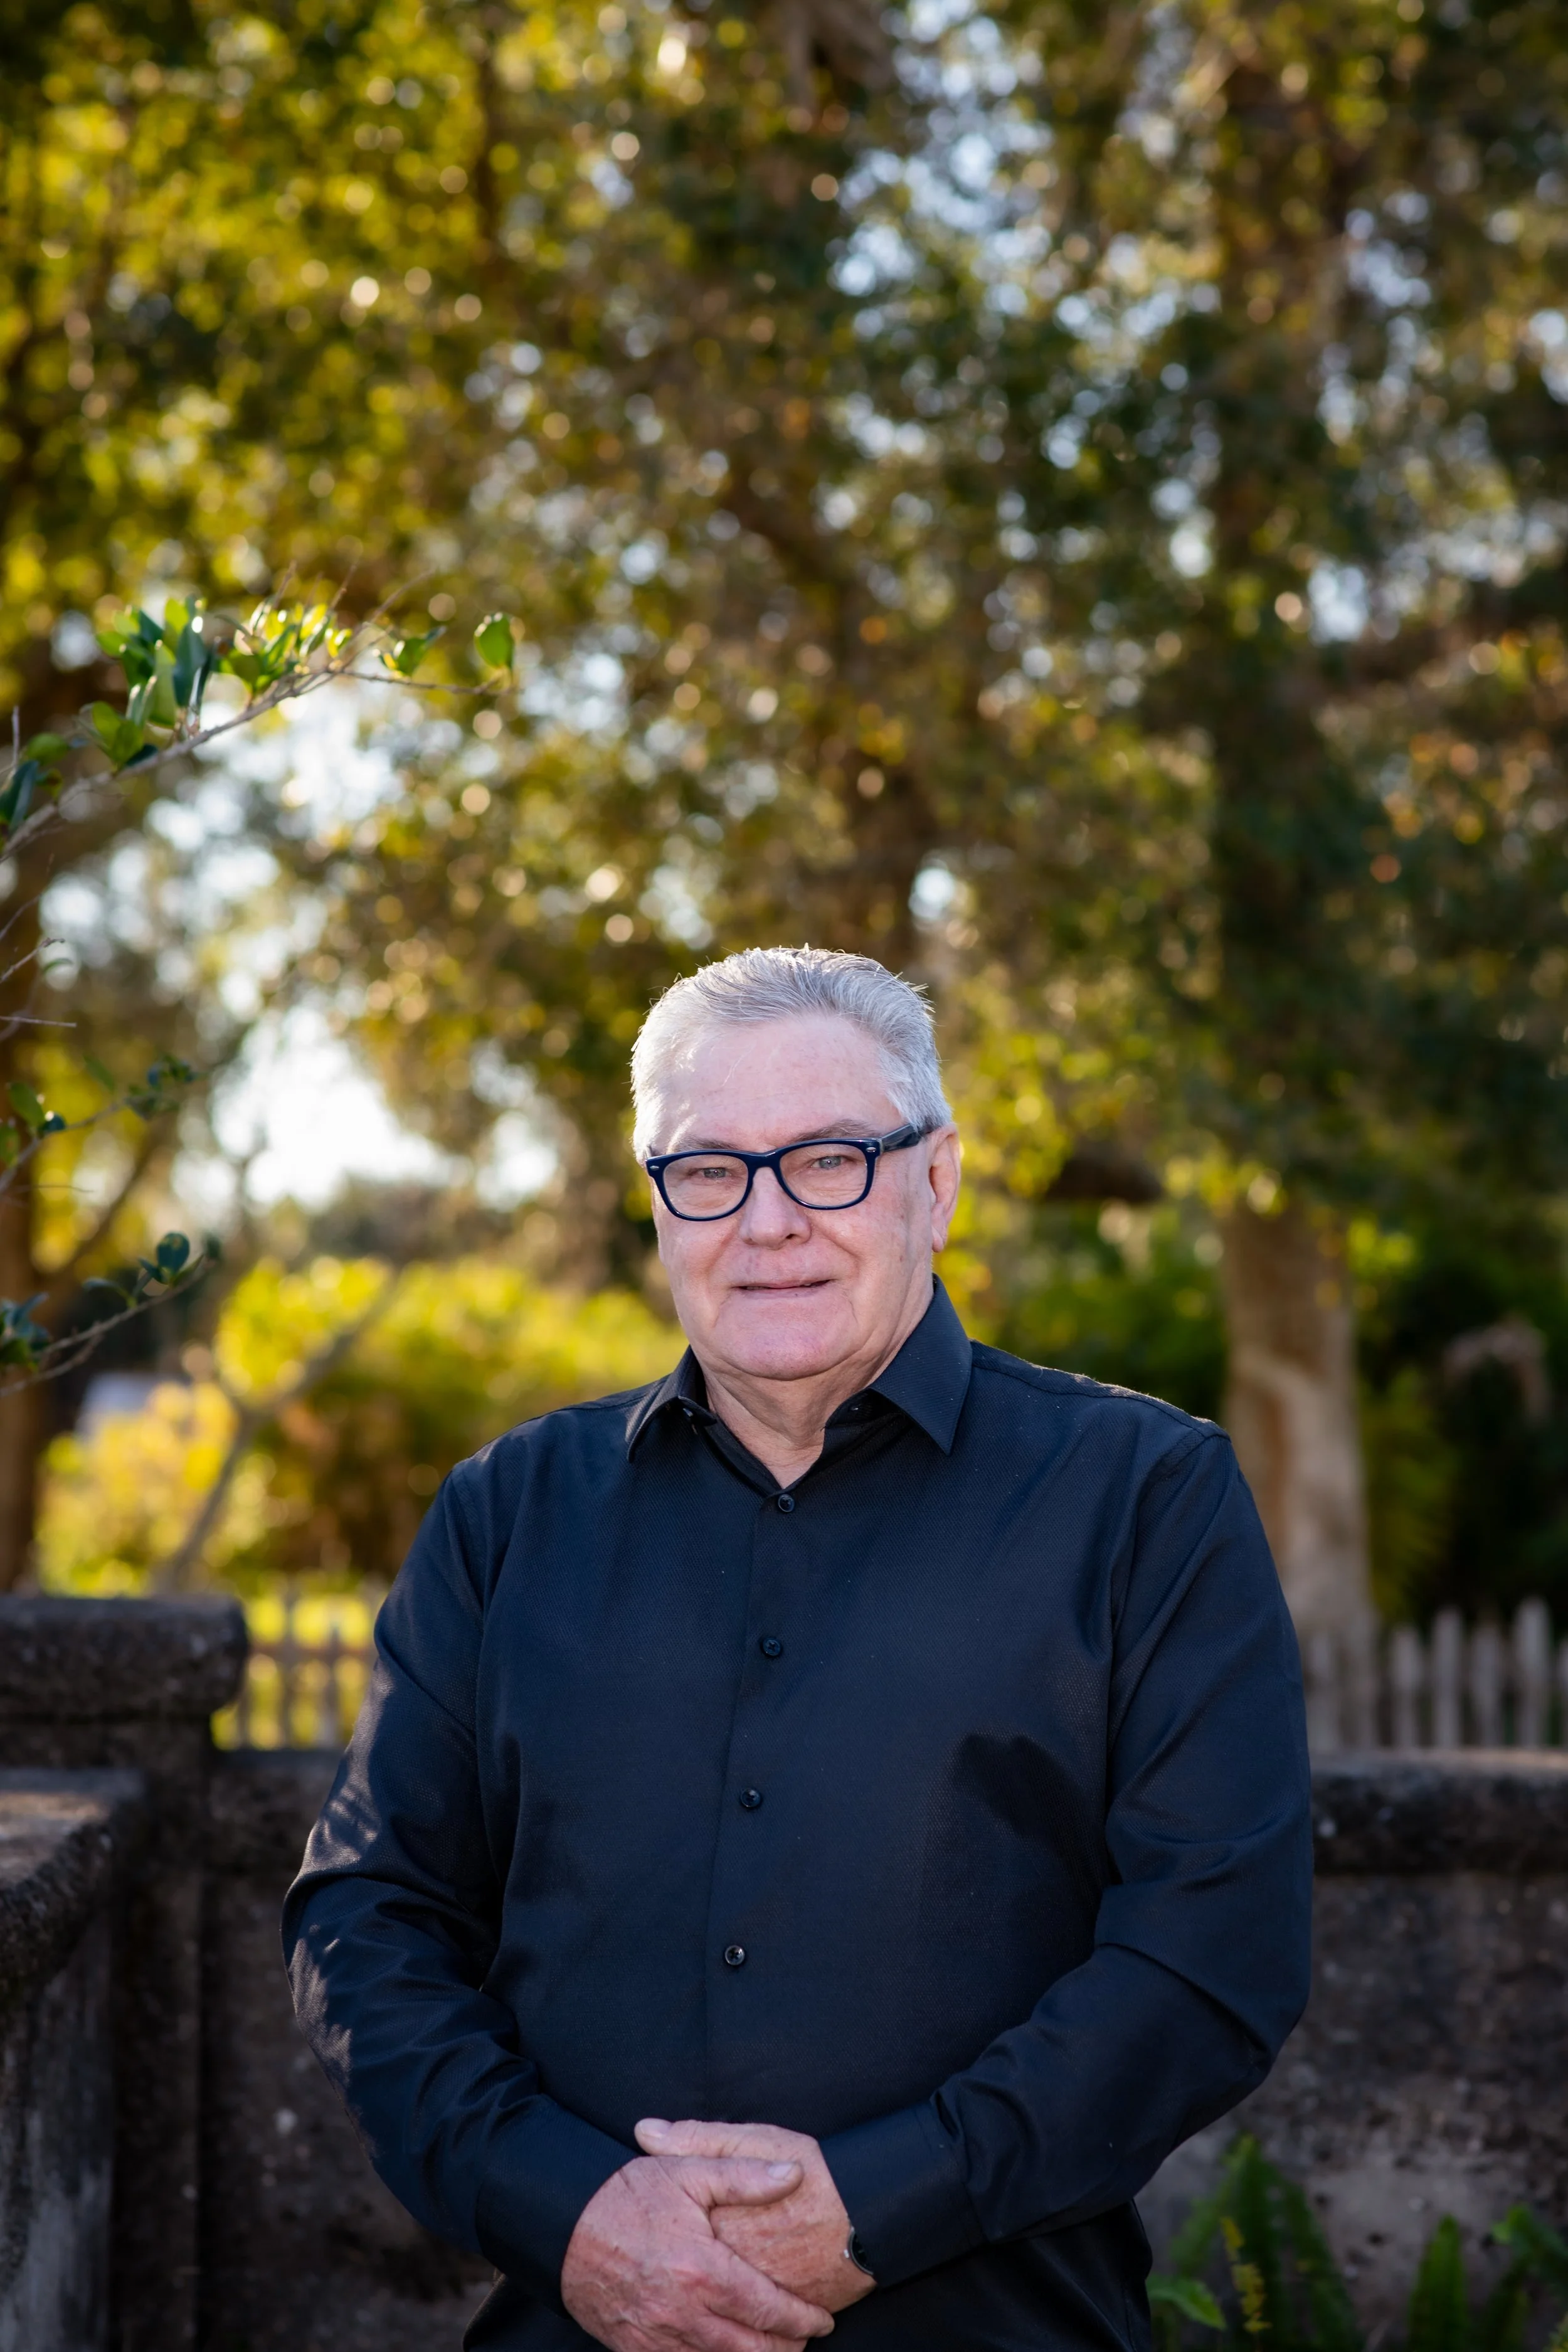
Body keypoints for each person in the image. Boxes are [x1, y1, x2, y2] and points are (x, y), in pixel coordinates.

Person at [284, 945, 1313, 2352]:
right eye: (708, 1170)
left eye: (830, 1159)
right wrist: (566, 2211)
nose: (765, 1221)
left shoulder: (1144, 1500)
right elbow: (367, 1916)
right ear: (657, 1203)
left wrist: (879, 2206)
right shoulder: (505, 1514)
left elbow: (1210, 1957)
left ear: (934, 1182)